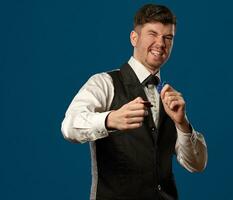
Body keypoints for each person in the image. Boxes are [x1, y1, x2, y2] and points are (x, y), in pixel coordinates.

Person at [61, 3, 207, 200]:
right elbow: (69, 126)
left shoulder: (168, 96)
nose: (161, 43)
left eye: (168, 37)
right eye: (152, 34)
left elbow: (196, 164)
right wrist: (110, 120)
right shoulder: (104, 83)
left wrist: (182, 124)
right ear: (134, 38)